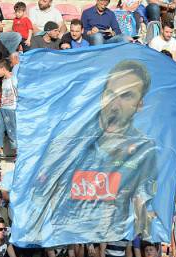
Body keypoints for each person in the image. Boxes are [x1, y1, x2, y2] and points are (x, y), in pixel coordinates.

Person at [29, 60, 158, 242]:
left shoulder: (144, 149)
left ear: (140, 104)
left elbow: (143, 203)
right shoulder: (68, 140)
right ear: (102, 95)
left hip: (109, 242)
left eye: (126, 96)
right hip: (67, 241)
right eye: (111, 94)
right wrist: (37, 240)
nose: (114, 104)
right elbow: (40, 193)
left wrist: (145, 243)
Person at [0, 59, 17, 159]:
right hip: (3, 108)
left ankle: (17, 151)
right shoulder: (3, 81)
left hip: (11, 108)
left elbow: (18, 93)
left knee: (12, 130)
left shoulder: (13, 79)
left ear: (3, 68)